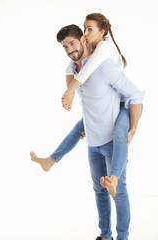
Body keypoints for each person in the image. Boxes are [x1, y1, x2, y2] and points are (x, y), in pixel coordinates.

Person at [31, 13, 143, 196]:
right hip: (107, 107)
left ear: (102, 31)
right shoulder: (90, 46)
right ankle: (51, 160)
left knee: (120, 135)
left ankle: (114, 179)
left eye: (89, 29)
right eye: (84, 29)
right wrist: (72, 97)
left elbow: (86, 71)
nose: (86, 33)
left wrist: (69, 92)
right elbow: (71, 67)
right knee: (78, 129)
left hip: (126, 104)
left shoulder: (105, 47)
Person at [54, 24, 144, 240]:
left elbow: (134, 94)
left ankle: (122, 237)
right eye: (65, 46)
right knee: (99, 191)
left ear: (84, 40)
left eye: (72, 43)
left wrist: (132, 128)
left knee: (119, 192)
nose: (69, 49)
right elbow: (89, 107)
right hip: (92, 143)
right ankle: (105, 236)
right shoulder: (73, 70)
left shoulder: (103, 66)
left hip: (113, 139)